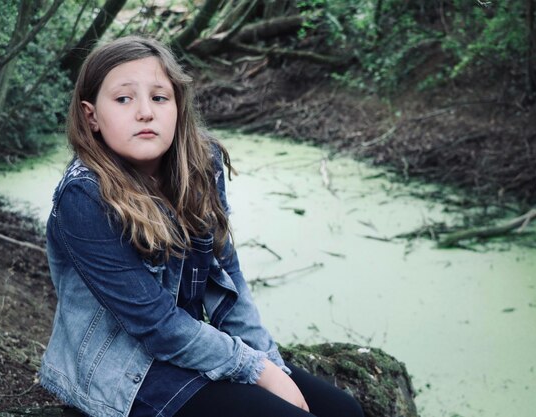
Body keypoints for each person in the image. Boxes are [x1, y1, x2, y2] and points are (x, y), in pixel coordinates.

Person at [39, 36, 364, 417]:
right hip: (122, 376)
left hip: (185, 352)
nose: (145, 112)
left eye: (159, 98)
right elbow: (157, 324)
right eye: (124, 99)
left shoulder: (199, 164)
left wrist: (270, 360)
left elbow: (228, 274)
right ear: (91, 115)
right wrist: (256, 369)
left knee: (344, 411)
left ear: (178, 106)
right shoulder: (84, 197)